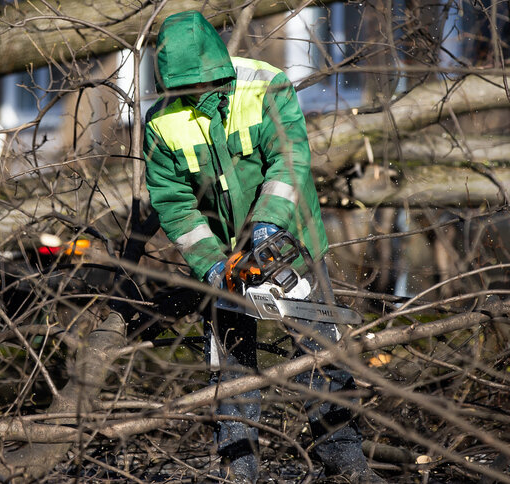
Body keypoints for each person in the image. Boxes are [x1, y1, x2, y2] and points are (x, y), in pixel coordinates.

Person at [144, 10, 384, 483]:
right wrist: (213, 265)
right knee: (231, 364)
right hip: (224, 252)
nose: (197, 93)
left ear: (219, 66)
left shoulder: (265, 85)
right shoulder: (161, 123)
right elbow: (174, 207)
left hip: (288, 239)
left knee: (319, 348)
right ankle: (241, 467)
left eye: (205, 83)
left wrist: (268, 228)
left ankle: (346, 460)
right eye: (187, 87)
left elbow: (290, 159)